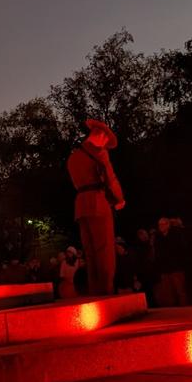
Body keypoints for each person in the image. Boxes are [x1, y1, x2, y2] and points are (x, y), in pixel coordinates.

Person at [66, 118, 126, 296]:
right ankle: (106, 292)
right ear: (100, 136)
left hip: (81, 206)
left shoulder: (73, 156)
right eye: (106, 141)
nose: (106, 145)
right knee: (105, 251)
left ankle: (94, 291)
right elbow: (110, 177)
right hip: (98, 204)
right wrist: (119, 199)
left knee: (90, 252)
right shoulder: (100, 154)